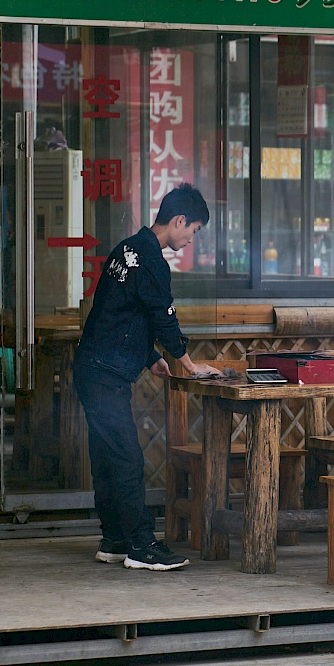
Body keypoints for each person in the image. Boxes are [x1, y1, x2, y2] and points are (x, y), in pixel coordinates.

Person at [73, 184, 221, 571]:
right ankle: (141, 545)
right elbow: (162, 316)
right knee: (125, 458)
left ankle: (115, 540)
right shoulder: (153, 261)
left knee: (107, 457)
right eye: (194, 230)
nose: (192, 238)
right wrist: (188, 364)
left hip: (93, 367)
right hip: (105, 373)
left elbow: (118, 312)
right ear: (179, 221)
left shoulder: (127, 249)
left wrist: (150, 356)